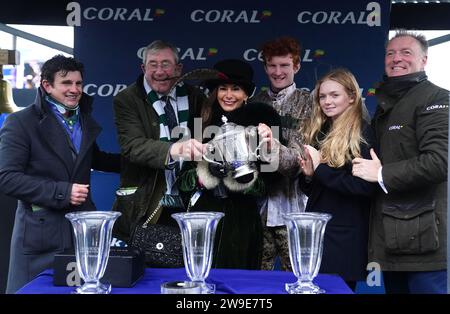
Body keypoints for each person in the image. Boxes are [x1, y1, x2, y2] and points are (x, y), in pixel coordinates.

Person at [0, 55, 120, 294]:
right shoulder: (20, 122)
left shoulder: (84, 120)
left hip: (82, 235)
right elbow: (7, 178)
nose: (74, 90)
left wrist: (152, 158)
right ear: (47, 85)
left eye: (78, 83)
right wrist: (63, 192)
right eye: (66, 83)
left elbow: (96, 159)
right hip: (40, 237)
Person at [352, 30, 448, 294]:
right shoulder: (386, 105)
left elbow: (440, 162)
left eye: (406, 52)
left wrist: (382, 174)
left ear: (424, 60)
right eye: (391, 53)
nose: (396, 58)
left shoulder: (437, 98)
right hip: (394, 241)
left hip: (426, 244)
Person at [177, 59, 282, 269]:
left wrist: (237, 177)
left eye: (236, 89)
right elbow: (184, 181)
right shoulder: (199, 120)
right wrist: (205, 174)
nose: (228, 95)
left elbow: (270, 182)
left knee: (239, 283)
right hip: (204, 218)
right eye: (223, 88)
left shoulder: (264, 119)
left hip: (242, 222)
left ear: (246, 94)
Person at [112, 40, 206, 244]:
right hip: (147, 203)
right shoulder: (127, 99)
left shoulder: (195, 97)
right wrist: (176, 149)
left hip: (189, 201)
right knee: (147, 268)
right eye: (153, 64)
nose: (159, 71)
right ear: (143, 68)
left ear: (178, 68)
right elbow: (133, 146)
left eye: (165, 64)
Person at [298, 68, 377, 291]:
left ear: (352, 97)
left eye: (335, 95)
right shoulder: (320, 131)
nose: (327, 101)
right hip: (318, 230)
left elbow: (364, 188)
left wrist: (320, 169)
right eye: (322, 96)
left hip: (345, 235)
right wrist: (308, 176)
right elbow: (315, 188)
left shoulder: (363, 133)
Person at [250, 36, 312, 271]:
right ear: (265, 67)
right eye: (272, 65)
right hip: (259, 210)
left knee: (296, 277)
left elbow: (296, 163)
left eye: (284, 65)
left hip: (294, 210)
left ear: (296, 66)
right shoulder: (255, 103)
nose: (278, 72)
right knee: (256, 282)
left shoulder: (310, 104)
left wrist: (269, 145)